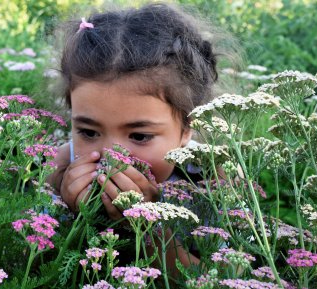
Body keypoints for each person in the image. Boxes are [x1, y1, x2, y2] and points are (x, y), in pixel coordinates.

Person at [47, 2, 224, 273]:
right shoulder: (61, 164)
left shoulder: (209, 177)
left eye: (140, 136)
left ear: (187, 128)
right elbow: (27, 262)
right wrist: (70, 215)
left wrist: (149, 227)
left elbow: (224, 277)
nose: (112, 156)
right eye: (89, 132)